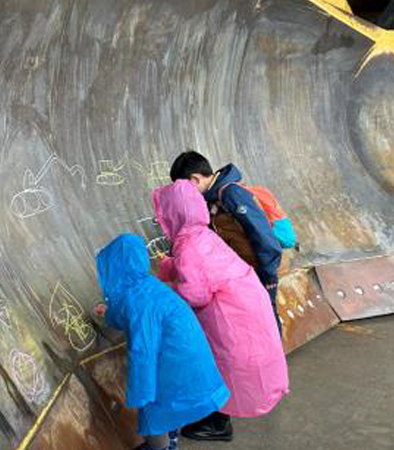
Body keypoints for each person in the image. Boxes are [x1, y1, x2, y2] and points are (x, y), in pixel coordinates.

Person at [153, 180, 288, 442]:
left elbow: (195, 293)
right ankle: (216, 417)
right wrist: (171, 266)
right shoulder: (202, 235)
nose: (161, 220)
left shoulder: (188, 245)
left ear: (174, 213)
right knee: (230, 362)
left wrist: (163, 290)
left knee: (221, 363)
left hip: (232, 318)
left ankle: (216, 423)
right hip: (247, 307)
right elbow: (203, 270)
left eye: (164, 213)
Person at [95, 234, 231, 450]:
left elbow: (143, 353)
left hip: (175, 369)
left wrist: (140, 395)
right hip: (191, 365)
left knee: (153, 415)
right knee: (168, 409)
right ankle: (170, 439)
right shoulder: (146, 287)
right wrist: (110, 313)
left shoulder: (137, 301)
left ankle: (162, 447)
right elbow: (127, 313)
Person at [169, 152, 282, 318]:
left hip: (258, 272)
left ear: (195, 180)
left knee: (266, 319)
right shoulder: (210, 200)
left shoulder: (231, 194)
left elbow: (263, 236)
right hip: (243, 275)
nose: (184, 195)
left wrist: (268, 276)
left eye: (184, 188)